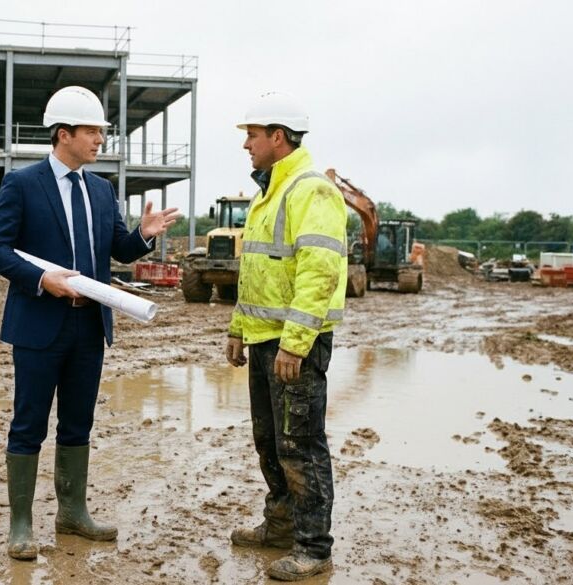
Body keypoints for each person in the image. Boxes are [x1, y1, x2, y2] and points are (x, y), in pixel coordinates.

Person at [0, 86, 179, 561]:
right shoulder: (22, 184)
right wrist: (42, 278)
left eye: (101, 132)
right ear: (63, 134)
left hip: (88, 326)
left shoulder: (101, 189)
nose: (100, 141)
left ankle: (73, 512)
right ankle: (21, 524)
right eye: (92, 131)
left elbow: (117, 249)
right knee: (29, 424)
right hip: (38, 325)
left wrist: (144, 238)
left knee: (78, 423)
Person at [224, 92, 348, 581]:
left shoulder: (310, 190)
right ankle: (279, 527)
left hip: (294, 343)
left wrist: (296, 343)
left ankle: (314, 548)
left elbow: (320, 272)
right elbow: (256, 270)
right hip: (263, 338)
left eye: (251, 136)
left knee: (301, 444)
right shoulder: (267, 192)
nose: (246, 145)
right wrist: (238, 328)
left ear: (278, 137)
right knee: (269, 439)